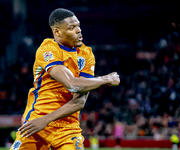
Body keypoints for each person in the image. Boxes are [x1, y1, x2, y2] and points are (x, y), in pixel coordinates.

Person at [10, 8, 120, 150]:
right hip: (36, 123)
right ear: (57, 32)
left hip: (67, 129)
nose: (79, 30)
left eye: (78, 26)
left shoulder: (86, 55)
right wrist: (106, 78)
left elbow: (79, 101)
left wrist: (47, 120)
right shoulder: (48, 50)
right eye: (72, 28)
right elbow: (72, 84)